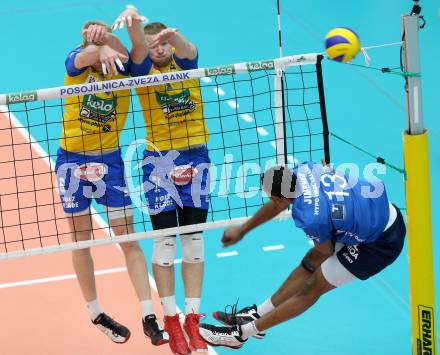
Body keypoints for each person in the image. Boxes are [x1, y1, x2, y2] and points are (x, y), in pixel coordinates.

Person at [198, 162, 406, 349]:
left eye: (271, 197)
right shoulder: (303, 170)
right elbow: (280, 202)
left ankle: (242, 334)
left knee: (311, 287)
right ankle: (257, 313)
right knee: (309, 261)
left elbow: (325, 251)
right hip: (373, 212)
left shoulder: (311, 217)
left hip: (380, 243)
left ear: (280, 197)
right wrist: (243, 229)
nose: (270, 200)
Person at [55, 20, 168, 346]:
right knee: (80, 240)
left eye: (101, 33)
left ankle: (149, 316)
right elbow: (80, 57)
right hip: (72, 162)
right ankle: (95, 313)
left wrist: (109, 39)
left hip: (110, 163)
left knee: (128, 238)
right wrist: (96, 44)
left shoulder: (123, 69)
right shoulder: (77, 64)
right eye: (92, 34)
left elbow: (132, 51)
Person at [113, 6, 210, 355]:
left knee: (194, 242)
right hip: (159, 162)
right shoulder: (142, 71)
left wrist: (172, 36)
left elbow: (189, 50)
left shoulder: (183, 64)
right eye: (154, 45)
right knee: (165, 244)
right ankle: (171, 316)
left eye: (162, 44)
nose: (159, 49)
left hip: (196, 157)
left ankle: (193, 320)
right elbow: (138, 46)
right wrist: (135, 21)